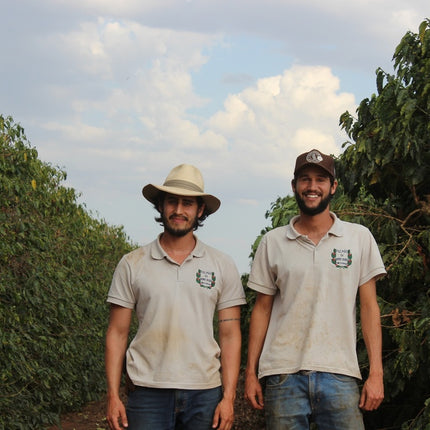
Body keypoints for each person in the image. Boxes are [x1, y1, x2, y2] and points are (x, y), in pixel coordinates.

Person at [244, 149, 386, 429]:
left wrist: (376, 373)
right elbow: (261, 309)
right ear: (294, 186)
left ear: (333, 187)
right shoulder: (272, 242)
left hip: (341, 373)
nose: (312, 186)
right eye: (305, 179)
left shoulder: (359, 238)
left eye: (321, 179)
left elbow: (369, 307)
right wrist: (251, 373)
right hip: (282, 375)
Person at [105, 164, 246, 430]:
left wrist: (228, 397)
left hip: (204, 392)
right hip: (147, 391)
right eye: (172, 201)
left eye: (188, 203)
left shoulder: (221, 264)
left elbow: (230, 335)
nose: (179, 210)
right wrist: (113, 396)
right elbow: (117, 332)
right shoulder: (133, 263)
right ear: (161, 205)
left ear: (200, 210)